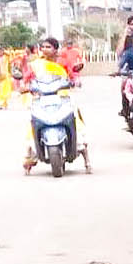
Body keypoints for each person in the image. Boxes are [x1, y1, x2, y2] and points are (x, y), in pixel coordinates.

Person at [21, 37, 88, 173]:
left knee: (76, 121)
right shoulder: (36, 64)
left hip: (62, 97)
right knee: (32, 123)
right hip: (42, 98)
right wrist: (24, 86)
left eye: (48, 47)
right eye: (43, 47)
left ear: (55, 49)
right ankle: (30, 156)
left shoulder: (63, 62)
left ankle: (86, 158)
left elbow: (72, 75)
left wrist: (76, 81)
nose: (45, 49)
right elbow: (27, 78)